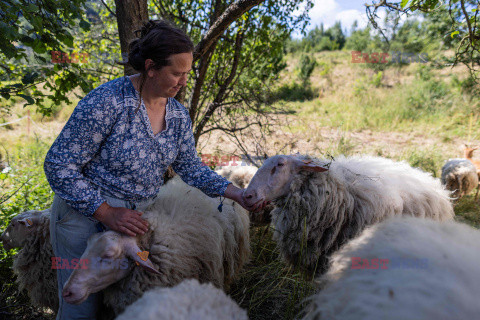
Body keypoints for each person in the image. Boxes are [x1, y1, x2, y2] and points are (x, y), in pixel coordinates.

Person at [44, 20, 265, 320]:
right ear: (150, 67)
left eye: (187, 73)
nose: (183, 81)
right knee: (80, 308)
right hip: (85, 217)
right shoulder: (107, 103)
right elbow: (58, 165)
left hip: (139, 224)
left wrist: (237, 194)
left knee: (131, 307)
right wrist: (106, 212)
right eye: (176, 73)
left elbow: (190, 167)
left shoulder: (176, 115)